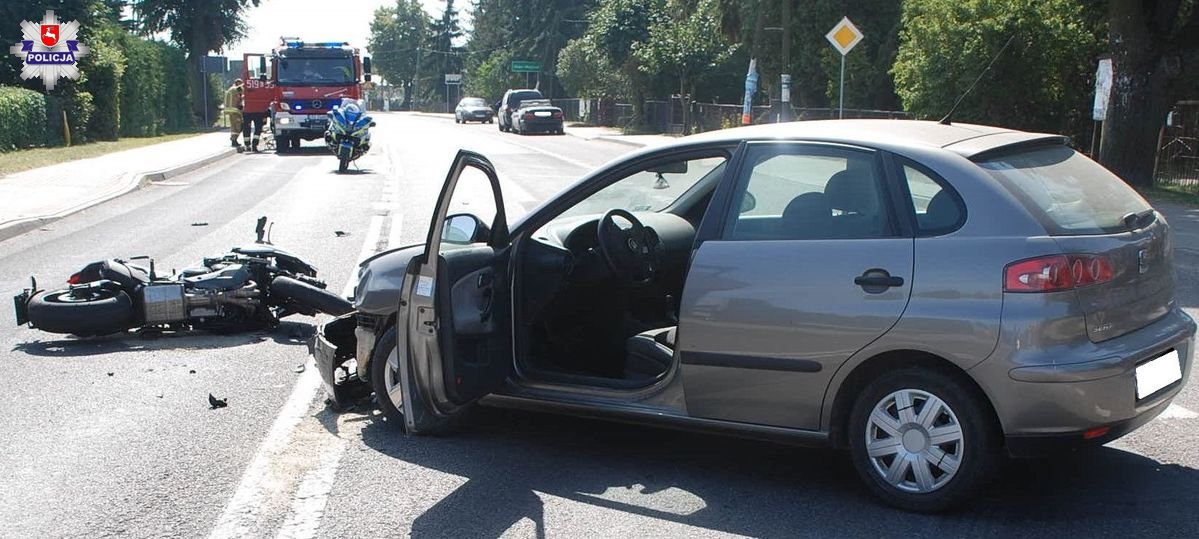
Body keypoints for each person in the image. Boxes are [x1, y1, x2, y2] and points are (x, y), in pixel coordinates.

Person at [223, 79, 244, 149]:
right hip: (234, 111)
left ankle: (234, 139)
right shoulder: (235, 89)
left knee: (234, 126)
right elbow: (239, 98)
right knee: (238, 126)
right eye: (240, 83)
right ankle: (234, 140)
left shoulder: (231, 89)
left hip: (231, 111)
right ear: (237, 83)